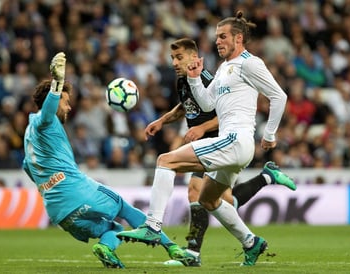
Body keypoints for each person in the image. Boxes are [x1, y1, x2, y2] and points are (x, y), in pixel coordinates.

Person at [117, 10, 294, 267]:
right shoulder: (223, 69)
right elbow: (207, 102)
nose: (218, 41)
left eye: (223, 36)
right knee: (208, 200)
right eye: (216, 37)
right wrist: (195, 78)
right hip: (232, 146)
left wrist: (269, 135)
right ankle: (251, 242)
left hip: (235, 140)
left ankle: (153, 226)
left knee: (165, 160)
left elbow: (279, 96)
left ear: (239, 38)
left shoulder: (249, 63)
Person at [22, 52, 198, 269]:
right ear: (55, 99)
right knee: (125, 208)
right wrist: (57, 83)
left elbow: (26, 167)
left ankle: (106, 248)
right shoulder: (43, 122)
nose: (68, 108)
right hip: (76, 191)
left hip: (58, 212)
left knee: (113, 228)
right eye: (65, 102)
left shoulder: (29, 134)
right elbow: (48, 112)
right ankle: (174, 249)